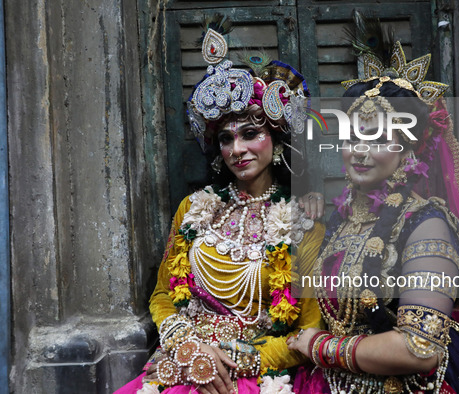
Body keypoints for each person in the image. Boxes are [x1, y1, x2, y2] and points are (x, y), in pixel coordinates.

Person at [287, 36, 459, 393]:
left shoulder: (427, 224)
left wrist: (319, 346)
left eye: (377, 139)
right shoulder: (341, 220)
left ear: (407, 151)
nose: (359, 151)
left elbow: (419, 348)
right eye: (352, 137)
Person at [115, 18, 325, 394]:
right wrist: (188, 346)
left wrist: (237, 358)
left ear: (275, 141)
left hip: (251, 370)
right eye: (226, 139)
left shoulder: (303, 220)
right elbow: (164, 294)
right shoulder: (194, 208)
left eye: (250, 134)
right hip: (182, 360)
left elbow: (309, 329)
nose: (236, 150)